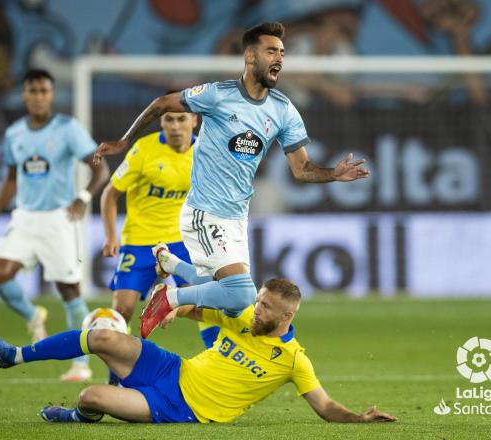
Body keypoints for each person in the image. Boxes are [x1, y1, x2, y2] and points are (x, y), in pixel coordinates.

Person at [93, 22, 371, 338]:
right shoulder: (217, 95)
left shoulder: (283, 110)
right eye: (271, 51)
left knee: (231, 304)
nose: (279, 58)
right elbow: (162, 103)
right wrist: (123, 142)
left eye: (281, 52)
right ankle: (169, 297)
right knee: (241, 293)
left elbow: (301, 168)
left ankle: (170, 264)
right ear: (250, 57)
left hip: (237, 218)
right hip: (204, 212)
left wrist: (333, 174)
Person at [0, 278, 396, 425]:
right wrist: (176, 309)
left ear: (286, 317)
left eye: (266, 306)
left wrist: (359, 418)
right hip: (172, 368)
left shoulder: (293, 360)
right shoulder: (244, 316)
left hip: (179, 407)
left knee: (90, 398)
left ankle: (78, 417)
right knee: (104, 336)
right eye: (259, 300)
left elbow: (323, 407)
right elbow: (204, 310)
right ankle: (15, 355)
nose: (256, 308)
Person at [0, 68, 109, 382]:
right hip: (25, 217)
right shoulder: (14, 134)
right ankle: (33, 314)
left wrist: (82, 197)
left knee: (69, 291)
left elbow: (100, 169)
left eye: (44, 91)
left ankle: (80, 364)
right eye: (33, 91)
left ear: (51, 95)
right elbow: (11, 179)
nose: (38, 96)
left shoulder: (67, 129)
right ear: (24, 94)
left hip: (59, 219)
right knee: (0, 273)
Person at [101, 108, 220, 357]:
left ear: (194, 120)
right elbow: (110, 194)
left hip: (182, 241)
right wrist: (111, 235)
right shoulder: (144, 149)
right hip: (140, 241)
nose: (175, 126)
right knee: (122, 310)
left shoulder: (207, 152)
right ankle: (119, 373)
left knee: (206, 302)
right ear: (161, 122)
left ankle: (218, 358)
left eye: (181, 119)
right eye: (169, 120)